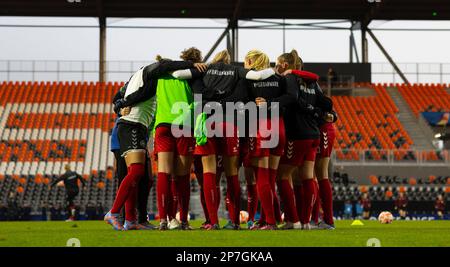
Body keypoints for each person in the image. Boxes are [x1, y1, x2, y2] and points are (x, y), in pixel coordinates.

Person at [104, 58, 204, 230]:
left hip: (140, 127)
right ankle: (114, 212)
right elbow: (126, 97)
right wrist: (192, 64)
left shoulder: (139, 80)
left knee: (143, 177)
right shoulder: (149, 72)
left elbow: (120, 97)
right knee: (135, 172)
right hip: (131, 125)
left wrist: (120, 104)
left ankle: (131, 220)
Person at [181, 50, 276, 230]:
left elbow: (197, 93)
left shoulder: (204, 70)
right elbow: (242, 96)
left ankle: (212, 221)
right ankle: (233, 221)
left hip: (207, 122)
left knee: (210, 173)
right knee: (232, 173)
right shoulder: (236, 72)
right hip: (230, 124)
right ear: (229, 61)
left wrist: (212, 97)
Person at [277, 49, 333, 230]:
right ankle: (307, 221)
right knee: (308, 177)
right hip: (313, 134)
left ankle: (293, 220)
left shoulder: (288, 80)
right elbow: (327, 104)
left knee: (282, 175)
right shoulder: (312, 83)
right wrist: (318, 111)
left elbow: (292, 99)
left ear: (285, 65)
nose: (275, 66)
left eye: (277, 63)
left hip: (297, 133)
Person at [152, 48, 207, 230]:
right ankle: (183, 220)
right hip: (184, 125)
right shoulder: (193, 75)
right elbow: (199, 102)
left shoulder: (159, 76)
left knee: (164, 174)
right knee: (182, 177)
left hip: (162, 126)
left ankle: (164, 220)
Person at [243, 50, 292, 230]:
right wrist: (272, 103)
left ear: (251, 60)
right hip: (279, 127)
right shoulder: (279, 79)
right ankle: (266, 220)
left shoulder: (249, 79)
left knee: (262, 177)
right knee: (270, 178)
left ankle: (270, 222)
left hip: (262, 126)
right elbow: (289, 98)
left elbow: (244, 104)